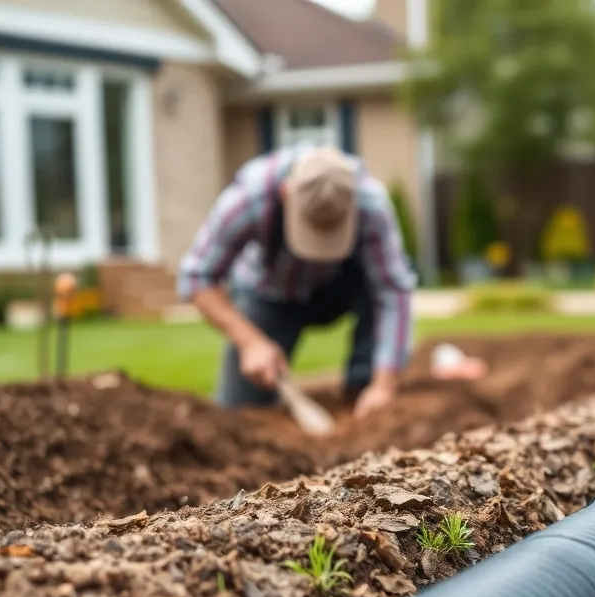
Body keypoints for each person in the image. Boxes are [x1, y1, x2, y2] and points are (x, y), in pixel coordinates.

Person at [177, 144, 417, 419]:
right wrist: (250, 341)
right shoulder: (249, 198)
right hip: (268, 295)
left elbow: (393, 290)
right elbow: (197, 276)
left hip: (343, 289)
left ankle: (361, 394)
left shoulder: (371, 202)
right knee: (239, 412)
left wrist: (383, 385)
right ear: (286, 194)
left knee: (377, 292)